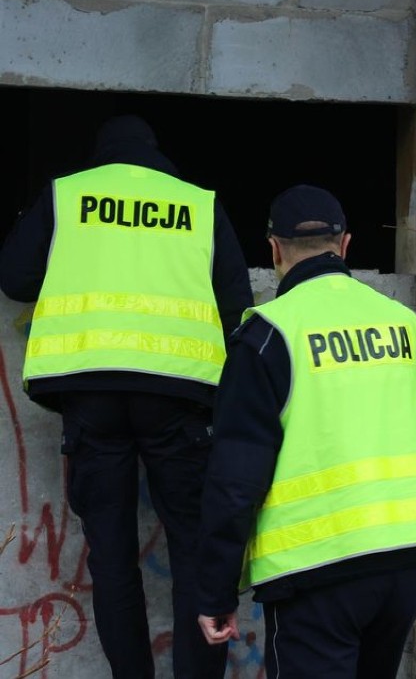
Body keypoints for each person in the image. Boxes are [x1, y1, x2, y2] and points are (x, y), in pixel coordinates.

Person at [0, 114, 254, 679]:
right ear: (156, 155)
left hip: (90, 393)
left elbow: (15, 278)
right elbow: (237, 306)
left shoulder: (68, 196)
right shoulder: (197, 204)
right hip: (179, 396)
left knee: (113, 558)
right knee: (193, 550)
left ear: (101, 156)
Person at [195, 184, 416, 678]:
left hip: (320, 572)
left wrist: (214, 591)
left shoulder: (269, 335)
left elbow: (234, 481)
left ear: (273, 249)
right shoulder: (399, 320)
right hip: (409, 560)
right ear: (347, 244)